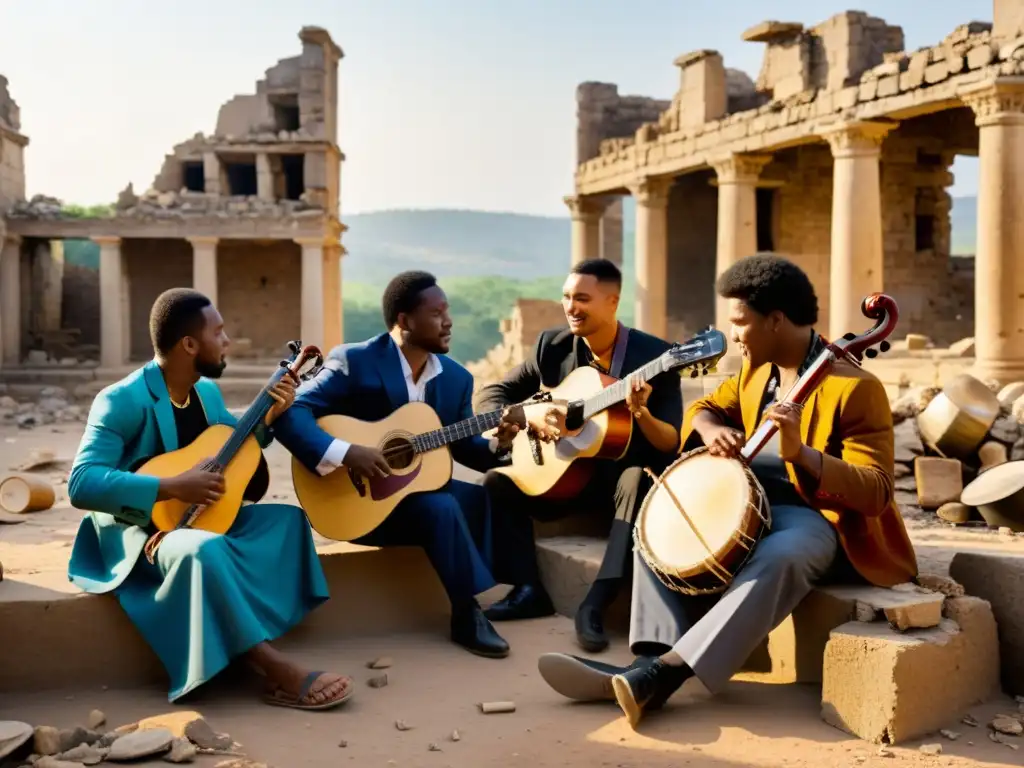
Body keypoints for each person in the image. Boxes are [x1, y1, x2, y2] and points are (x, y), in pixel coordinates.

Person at [536, 253, 919, 728]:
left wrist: (802, 453)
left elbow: (877, 492)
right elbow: (704, 410)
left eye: (739, 323)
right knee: (662, 523)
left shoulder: (854, 388)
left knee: (785, 554)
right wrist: (713, 427)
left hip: (816, 517)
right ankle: (647, 661)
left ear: (776, 320)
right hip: (748, 503)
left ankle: (667, 675)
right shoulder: (757, 371)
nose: (732, 335)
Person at [67, 288, 352, 710]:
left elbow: (232, 451)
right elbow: (81, 483)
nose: (227, 341)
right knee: (204, 549)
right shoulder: (120, 401)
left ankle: (234, 634)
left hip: (194, 517)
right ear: (189, 344)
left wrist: (268, 418)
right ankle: (273, 669)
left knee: (287, 523)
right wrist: (170, 487)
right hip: (141, 532)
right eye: (218, 332)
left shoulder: (207, 395)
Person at [273, 270, 521, 658]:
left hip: (409, 499)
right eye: (437, 313)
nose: (448, 321)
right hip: (358, 505)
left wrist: (497, 443)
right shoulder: (355, 361)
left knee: (488, 498)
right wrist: (346, 452)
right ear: (404, 321)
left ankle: (522, 589)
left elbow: (465, 447)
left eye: (448, 311)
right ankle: (466, 612)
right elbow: (293, 412)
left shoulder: (454, 379)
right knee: (442, 506)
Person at [476, 258, 684, 653]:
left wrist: (640, 412)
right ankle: (527, 589)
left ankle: (596, 603)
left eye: (583, 299)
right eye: (567, 297)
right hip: (565, 476)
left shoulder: (656, 358)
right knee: (496, 481)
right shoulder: (552, 347)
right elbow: (494, 394)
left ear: (612, 302)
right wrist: (530, 414)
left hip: (622, 483)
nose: (571, 307)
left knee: (637, 476)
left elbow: (669, 442)